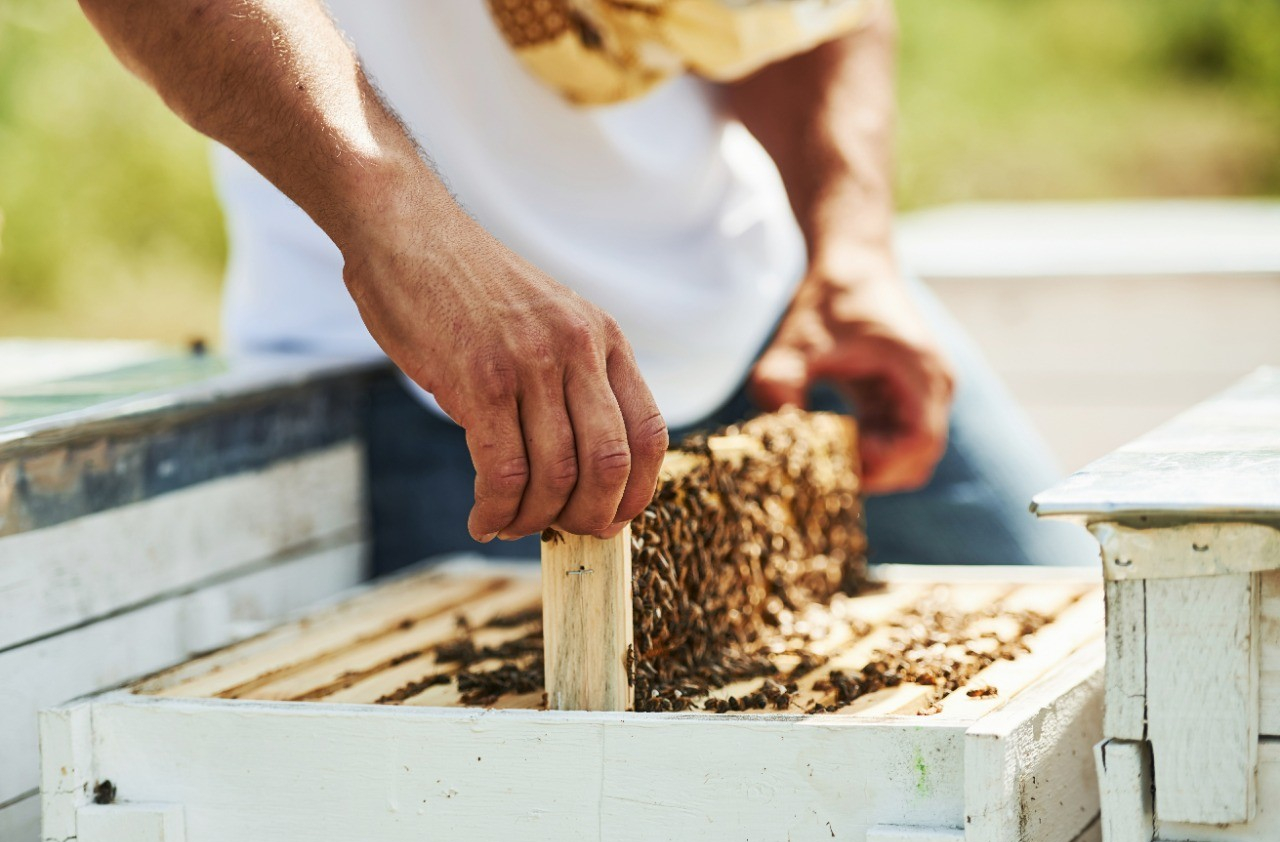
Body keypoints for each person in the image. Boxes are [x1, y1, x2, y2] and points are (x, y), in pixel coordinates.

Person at [80, 0, 1095, 573]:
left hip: (781, 325)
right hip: (431, 396)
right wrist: (406, 231)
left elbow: (803, 14)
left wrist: (851, 240)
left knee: (1093, 679)